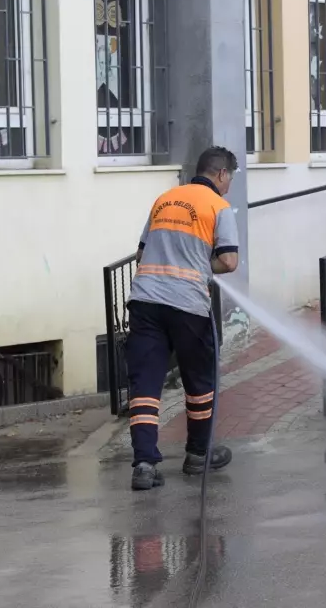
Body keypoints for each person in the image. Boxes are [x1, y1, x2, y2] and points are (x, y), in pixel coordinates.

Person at [125, 146, 240, 490]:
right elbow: (229, 261)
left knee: (145, 384)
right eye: (231, 178)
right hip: (188, 305)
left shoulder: (165, 199)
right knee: (200, 381)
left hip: (145, 300)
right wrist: (199, 266)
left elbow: (141, 254)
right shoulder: (219, 207)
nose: (229, 185)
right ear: (221, 174)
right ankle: (197, 455)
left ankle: (144, 464)